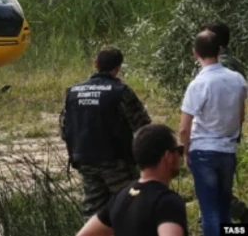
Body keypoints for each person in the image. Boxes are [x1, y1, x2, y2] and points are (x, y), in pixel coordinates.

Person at [61, 47, 152, 221]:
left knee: (93, 211)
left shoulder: (72, 92)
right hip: (116, 161)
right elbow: (143, 126)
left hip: (84, 158)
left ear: (95, 64)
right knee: (131, 206)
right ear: (118, 67)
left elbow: (65, 130)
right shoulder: (121, 91)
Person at [180, 30, 247, 236]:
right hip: (227, 149)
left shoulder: (198, 84)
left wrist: (185, 152)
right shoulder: (237, 79)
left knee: (209, 211)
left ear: (194, 53)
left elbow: (184, 127)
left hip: (203, 151)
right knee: (224, 207)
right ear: (220, 50)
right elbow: (241, 114)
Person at [77, 124, 188, 236]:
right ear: (168, 156)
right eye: (179, 150)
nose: (180, 156)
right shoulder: (167, 202)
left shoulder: (120, 199)